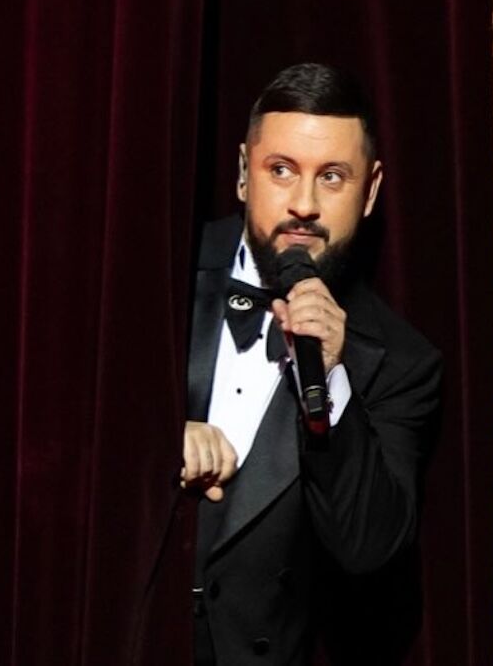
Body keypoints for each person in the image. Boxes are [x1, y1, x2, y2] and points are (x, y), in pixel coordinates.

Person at [180, 63, 442, 665]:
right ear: (243, 172)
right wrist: (154, 448)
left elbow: (369, 546)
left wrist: (332, 376)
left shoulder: (402, 362)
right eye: (281, 170)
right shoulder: (161, 271)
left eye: (332, 177)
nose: (303, 204)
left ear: (370, 191)